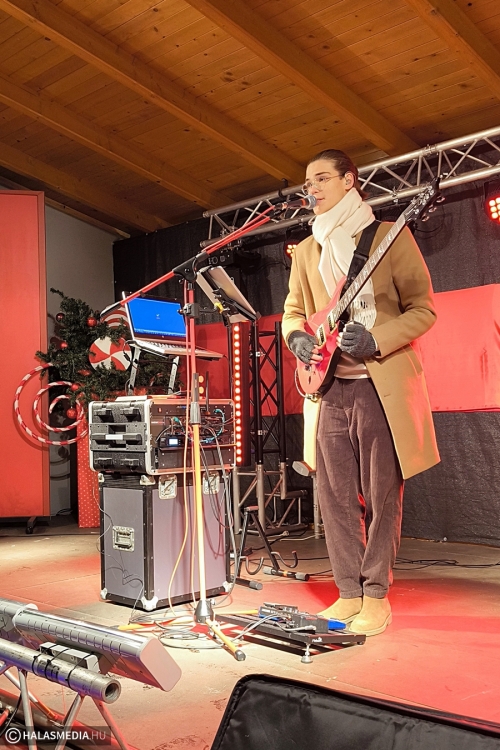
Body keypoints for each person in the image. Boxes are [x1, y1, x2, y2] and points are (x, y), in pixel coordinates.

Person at [282, 149, 440, 636]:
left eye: (322, 178)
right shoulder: (306, 250)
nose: (312, 189)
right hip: (329, 389)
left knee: (381, 494)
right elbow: (293, 311)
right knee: (332, 496)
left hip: (379, 386)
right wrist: (297, 338)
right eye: (307, 183)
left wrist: (377, 339)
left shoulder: (389, 236)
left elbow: (424, 309)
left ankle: (375, 596)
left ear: (350, 180)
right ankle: (348, 592)